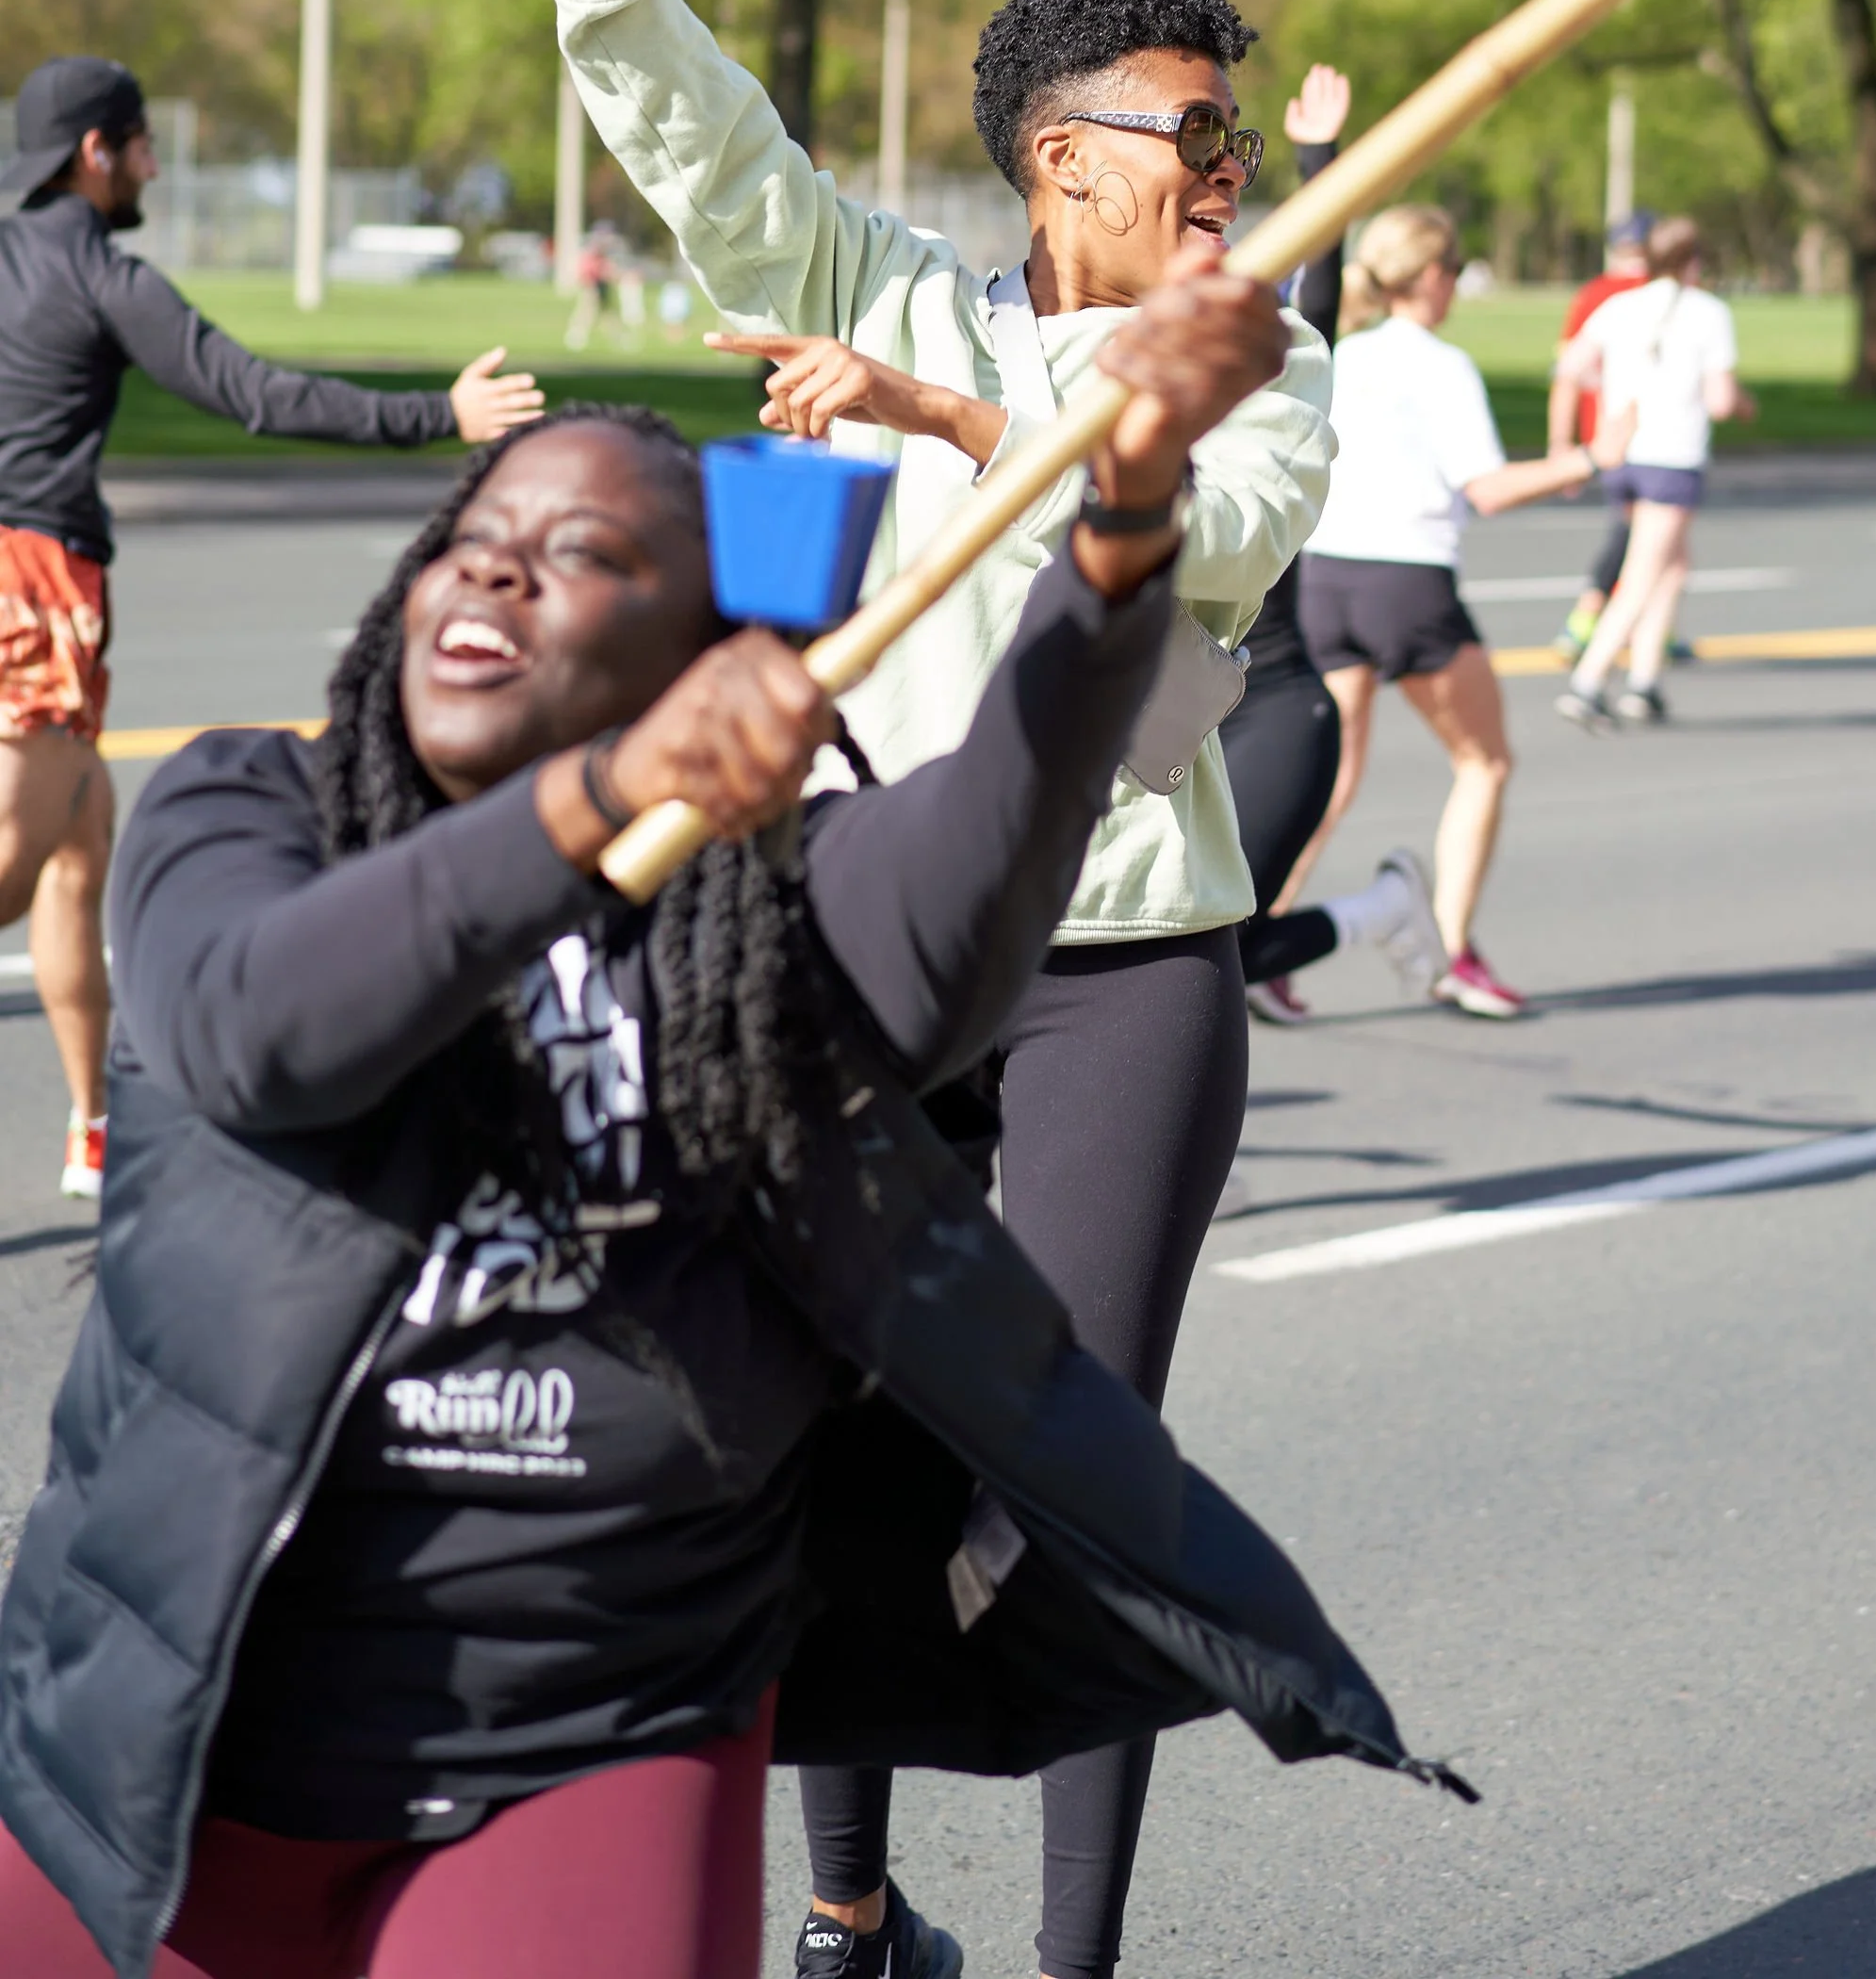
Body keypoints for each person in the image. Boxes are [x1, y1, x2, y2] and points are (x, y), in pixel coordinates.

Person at [0, 298, 1452, 1979]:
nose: (493, 571)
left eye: (584, 553)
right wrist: (596, 798)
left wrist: (1119, 528)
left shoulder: (770, 903)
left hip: (593, 1717)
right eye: (474, 542)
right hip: (184, 1714)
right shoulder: (246, 808)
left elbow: (990, 853)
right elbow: (260, 1031)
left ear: (702, 651)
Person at [436, 0, 1332, 1979]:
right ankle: (846, 1917)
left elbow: (1192, 536)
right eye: (1193, 127)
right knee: (821, 1450)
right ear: (1063, 156)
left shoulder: (1261, 353)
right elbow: (702, 147)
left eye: (1235, 129)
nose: (1228, 163)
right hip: (881, 946)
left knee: (1081, 1474)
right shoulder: (887, 285)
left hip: (1133, 952)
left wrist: (941, 412)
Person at [0, 55, 542, 1197]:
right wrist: (436, 415)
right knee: (14, 864)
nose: (152, 160)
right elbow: (249, 391)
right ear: (94, 153)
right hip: (34, 581)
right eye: (140, 142)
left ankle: (95, 1129)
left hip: (32, 571)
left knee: (76, 848)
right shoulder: (99, 273)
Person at [1281, 204, 1609, 1020]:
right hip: (1408, 581)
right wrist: (1593, 457)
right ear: (1431, 277)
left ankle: (1263, 947)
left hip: (1323, 574)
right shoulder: (1440, 364)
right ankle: (1451, 953)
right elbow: (1486, 489)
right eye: (1455, 270)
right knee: (1484, 761)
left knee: (1330, 776)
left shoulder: (1339, 350)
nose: (1457, 284)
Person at [1225, 63, 1447, 1029]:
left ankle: (1383, 914)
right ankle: (1385, 911)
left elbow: (1309, 300)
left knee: (1206, 954)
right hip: (1153, 727)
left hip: (1271, 707)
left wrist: (1322, 166)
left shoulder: (1275, 387)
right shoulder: (1094, 391)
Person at [1553, 215, 1754, 731]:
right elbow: (1721, 400)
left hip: (1625, 453)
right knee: (1643, 572)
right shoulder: (1708, 313)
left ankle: (1644, 681)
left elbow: (1572, 368)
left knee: (1673, 566)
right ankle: (1589, 681)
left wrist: (1567, 440)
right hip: (1673, 458)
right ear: (1693, 261)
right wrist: (1743, 403)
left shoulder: (1620, 308)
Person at [1545, 210, 1655, 658]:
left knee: (1645, 532)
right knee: (1637, 531)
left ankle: (1644, 624)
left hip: (1600, 431)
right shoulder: (1659, 297)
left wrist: (1562, 445)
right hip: (1642, 433)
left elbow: (1565, 372)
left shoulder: (1593, 294)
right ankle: (1588, 617)